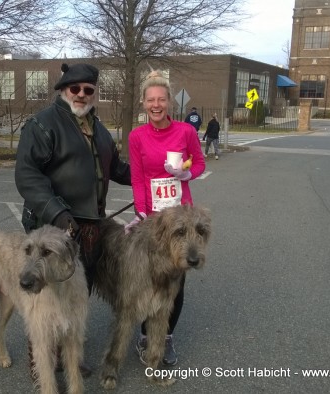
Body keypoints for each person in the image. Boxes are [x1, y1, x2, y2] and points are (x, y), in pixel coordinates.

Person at [14, 63, 131, 375]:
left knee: (76, 296)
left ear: (94, 94)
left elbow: (117, 169)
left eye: (88, 90)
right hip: (51, 227)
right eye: (75, 89)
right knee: (45, 300)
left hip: (91, 229)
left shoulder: (100, 130)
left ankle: (70, 358)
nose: (81, 94)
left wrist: (155, 179)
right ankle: (42, 366)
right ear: (63, 90)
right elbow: (28, 175)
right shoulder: (42, 124)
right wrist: (59, 212)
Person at [125, 70, 206, 366]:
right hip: (152, 220)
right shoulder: (137, 136)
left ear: (169, 101)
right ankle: (147, 335)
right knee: (149, 280)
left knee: (176, 281)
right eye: (150, 100)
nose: (156, 105)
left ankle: (166, 336)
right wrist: (142, 211)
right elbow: (136, 177)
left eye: (161, 99)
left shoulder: (185, 131)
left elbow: (199, 162)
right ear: (144, 103)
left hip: (181, 216)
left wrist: (187, 173)